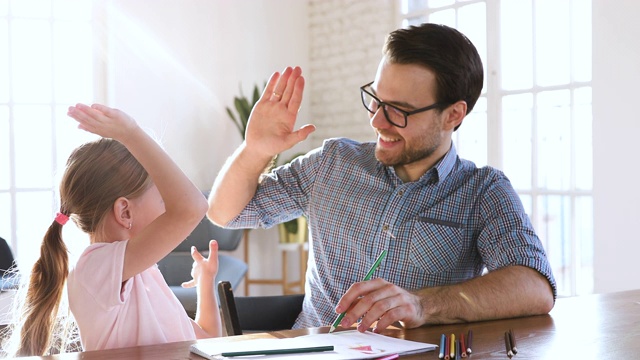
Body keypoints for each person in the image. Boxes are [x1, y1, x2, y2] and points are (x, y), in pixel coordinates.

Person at [207, 23, 556, 333]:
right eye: (376, 99)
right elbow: (225, 213)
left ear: (453, 114)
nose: (377, 121)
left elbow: (535, 288)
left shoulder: (483, 191)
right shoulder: (332, 162)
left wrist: (421, 305)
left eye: (399, 111)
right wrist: (254, 151)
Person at [3, 104, 221, 357]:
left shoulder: (143, 273)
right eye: (163, 201)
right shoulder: (95, 266)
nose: (167, 209)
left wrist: (206, 283)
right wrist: (131, 133)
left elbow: (208, 344)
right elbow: (192, 208)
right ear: (124, 212)